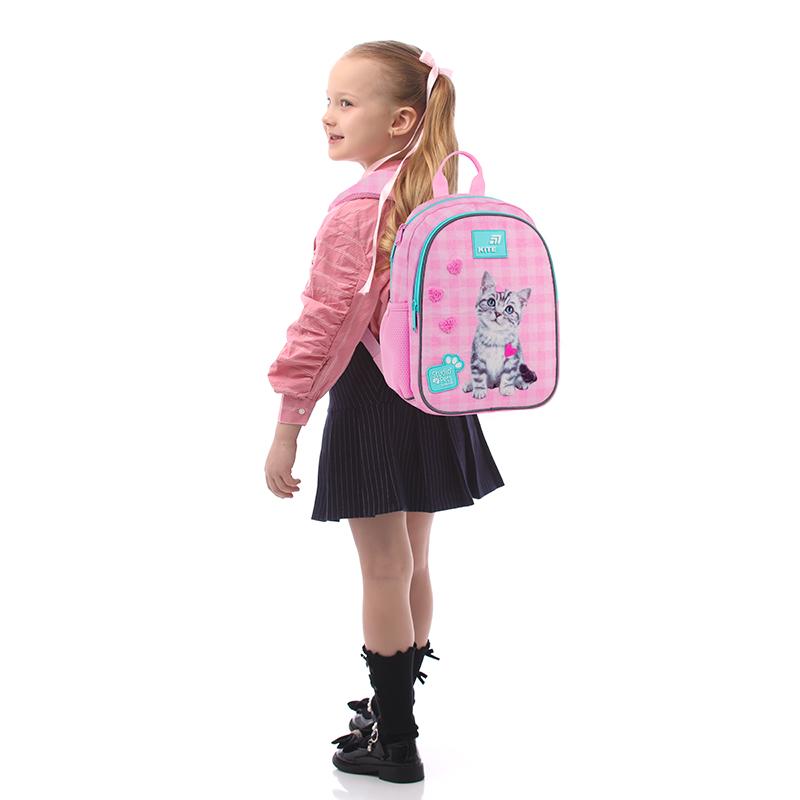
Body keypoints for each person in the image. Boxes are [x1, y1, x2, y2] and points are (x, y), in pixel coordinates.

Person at [263, 41, 505, 783]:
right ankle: (392, 707)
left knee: (382, 568)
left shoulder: (360, 207)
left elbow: (326, 322)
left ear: (400, 120)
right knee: (414, 563)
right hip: (436, 394)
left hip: (374, 399)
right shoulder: (441, 185)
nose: (327, 115)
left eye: (346, 102)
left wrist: (289, 423)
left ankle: (395, 741)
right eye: (328, 100)